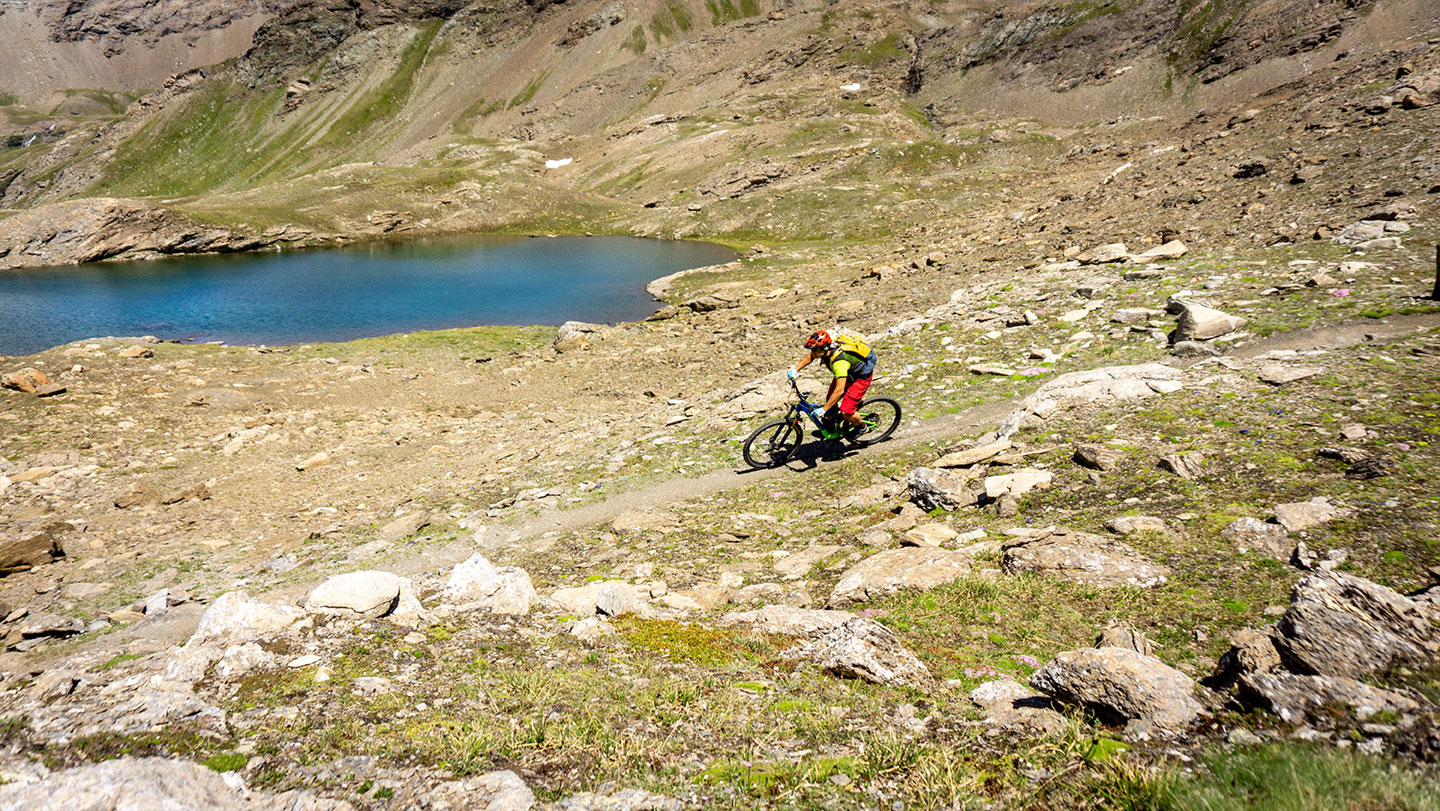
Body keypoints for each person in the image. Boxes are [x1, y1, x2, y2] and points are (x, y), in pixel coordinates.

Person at [787, 329, 877, 438]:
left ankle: (862, 427)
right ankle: (830, 428)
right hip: (847, 374)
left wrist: (824, 409)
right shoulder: (824, 351)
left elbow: (839, 391)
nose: (813, 352)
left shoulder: (839, 362)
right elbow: (811, 356)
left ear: (823, 349)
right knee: (830, 399)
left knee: (846, 411)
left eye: (815, 350)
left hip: (860, 377)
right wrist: (796, 369)